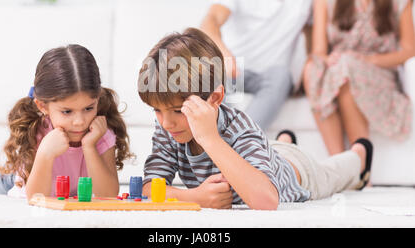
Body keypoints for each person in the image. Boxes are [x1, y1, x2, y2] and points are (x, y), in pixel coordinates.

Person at [137, 28, 373, 210]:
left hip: (299, 173)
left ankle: (359, 155)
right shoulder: (169, 125)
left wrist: (209, 138)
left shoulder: (238, 127)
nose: (166, 123)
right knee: (273, 151)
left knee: (333, 173)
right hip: (268, 155)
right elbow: (150, 187)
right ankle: (284, 142)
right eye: (157, 111)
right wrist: (193, 197)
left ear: (215, 98)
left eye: (178, 111)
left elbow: (267, 201)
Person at [0, 44, 133, 200]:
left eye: (89, 108)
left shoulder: (101, 132)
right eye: (67, 111)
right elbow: (36, 196)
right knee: (1, 179)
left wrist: (89, 146)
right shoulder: (38, 130)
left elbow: (108, 194)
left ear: (97, 99)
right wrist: (45, 153)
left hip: (70, 190)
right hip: (28, 181)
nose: (80, 121)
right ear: (42, 106)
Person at [303, 0, 415, 155]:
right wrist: (330, 58)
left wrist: (366, 59)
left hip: (379, 73)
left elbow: (408, 49)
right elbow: (318, 51)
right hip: (340, 68)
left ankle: (360, 165)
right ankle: (339, 163)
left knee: (347, 67)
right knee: (312, 69)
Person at [200, 0, 317, 132]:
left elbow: (314, 34)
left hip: (272, 77)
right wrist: (223, 52)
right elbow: (210, 20)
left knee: (282, 75)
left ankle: (238, 140)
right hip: (234, 70)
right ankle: (221, 140)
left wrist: (309, 68)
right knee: (216, 77)